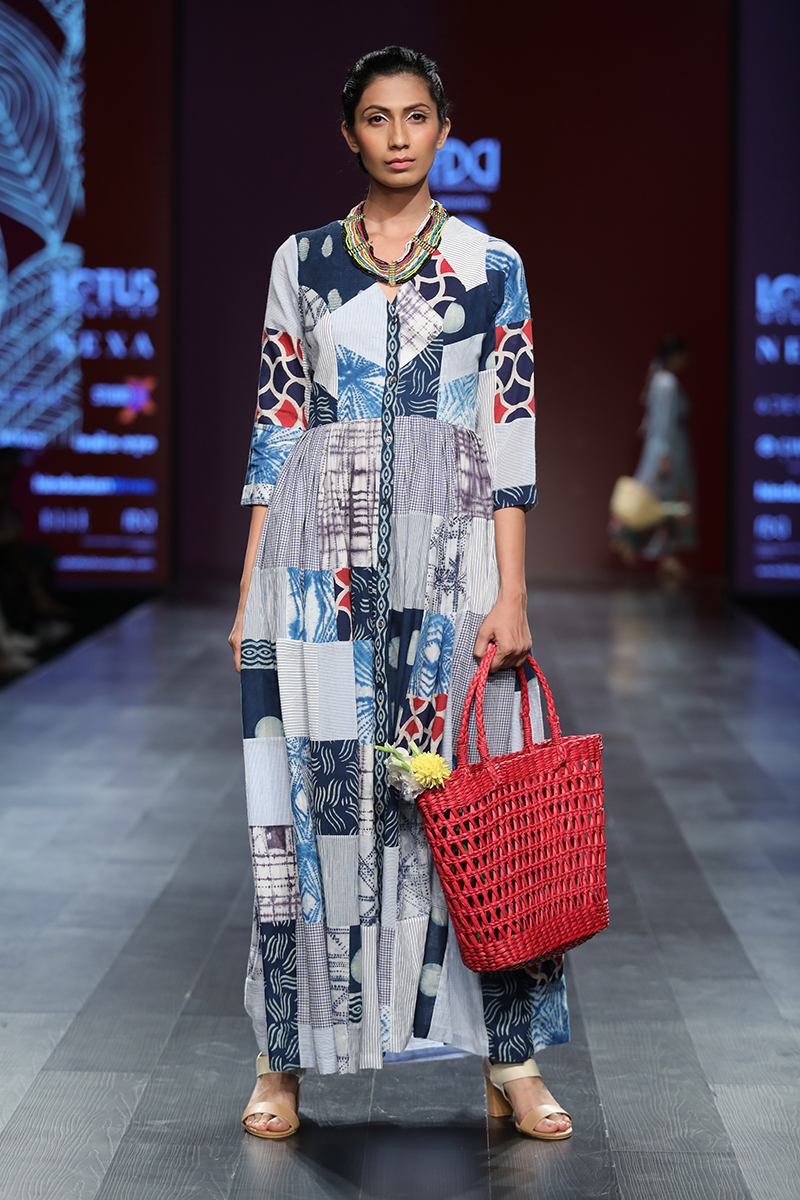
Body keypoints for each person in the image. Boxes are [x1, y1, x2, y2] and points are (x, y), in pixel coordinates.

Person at [228, 46, 572, 1143]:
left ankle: (510, 1059)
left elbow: (508, 432)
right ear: (350, 134)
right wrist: (249, 592)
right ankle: (283, 1059)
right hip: (316, 559)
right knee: (310, 808)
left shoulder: (490, 264)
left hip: (450, 550)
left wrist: (513, 592)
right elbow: (277, 424)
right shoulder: (302, 261)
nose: (397, 136)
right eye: (376, 118)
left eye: (415, 116)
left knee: (469, 799)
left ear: (443, 128)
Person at [611, 334, 696, 580]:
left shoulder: (660, 380)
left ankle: (664, 555)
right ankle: (627, 538)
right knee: (664, 501)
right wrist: (665, 453)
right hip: (669, 449)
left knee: (662, 501)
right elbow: (664, 421)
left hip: (664, 447)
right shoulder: (667, 383)